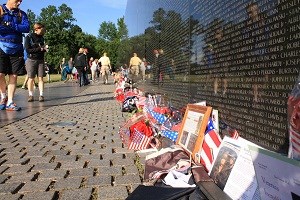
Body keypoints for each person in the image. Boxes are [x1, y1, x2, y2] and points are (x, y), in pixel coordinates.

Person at [0, 0, 30, 111]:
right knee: (0, 74)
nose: (19, 3)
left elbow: (26, 28)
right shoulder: (0, 10)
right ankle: (3, 96)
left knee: (14, 75)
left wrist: (11, 25)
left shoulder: (22, 14)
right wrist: (17, 27)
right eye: (17, 0)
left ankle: (10, 102)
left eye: (21, 1)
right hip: (1, 45)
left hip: (16, 47)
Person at [25, 22, 48, 102]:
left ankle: (41, 95)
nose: (44, 30)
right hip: (31, 60)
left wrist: (44, 49)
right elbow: (27, 50)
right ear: (37, 29)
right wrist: (39, 49)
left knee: (41, 78)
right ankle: (30, 95)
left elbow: (42, 47)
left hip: (41, 60)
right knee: (31, 78)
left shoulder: (42, 38)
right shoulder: (29, 37)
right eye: (42, 29)